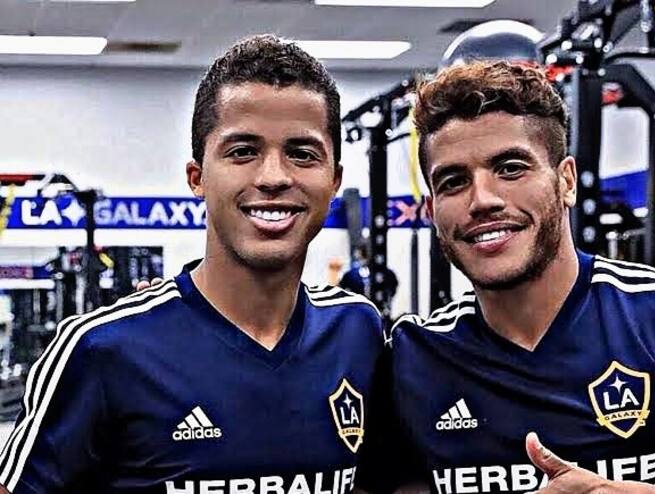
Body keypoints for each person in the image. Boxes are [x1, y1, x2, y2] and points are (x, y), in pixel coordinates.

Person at [381, 61, 655, 493]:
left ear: (566, 181)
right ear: (431, 211)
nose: (483, 200)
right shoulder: (413, 355)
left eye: (511, 168)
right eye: (453, 182)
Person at [0, 35, 385, 493]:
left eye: (302, 154)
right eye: (243, 151)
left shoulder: (357, 331)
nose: (273, 177)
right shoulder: (101, 350)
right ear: (197, 177)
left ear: (334, 180)